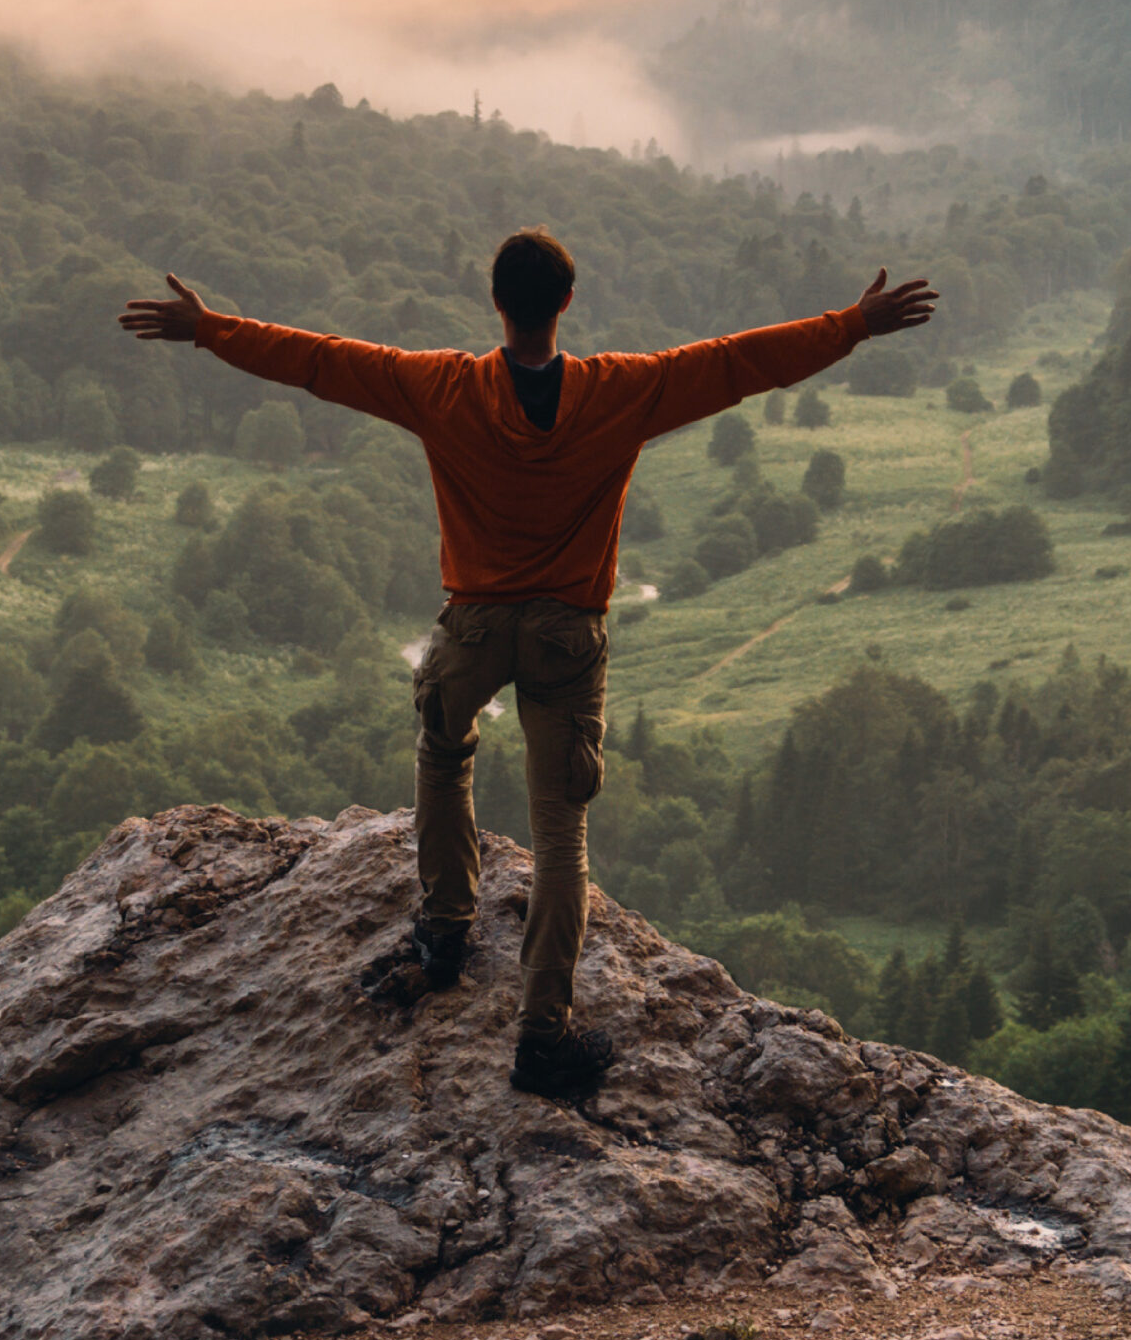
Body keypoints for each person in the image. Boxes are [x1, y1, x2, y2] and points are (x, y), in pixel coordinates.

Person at [120, 228, 935, 1098]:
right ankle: (542, 1033)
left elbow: (320, 362)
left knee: (442, 757)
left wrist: (210, 329)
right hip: (565, 639)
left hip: (469, 632)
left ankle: (442, 931)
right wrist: (851, 323)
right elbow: (740, 363)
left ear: (496, 304)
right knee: (559, 835)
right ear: (567, 303)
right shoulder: (623, 391)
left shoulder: (439, 387)